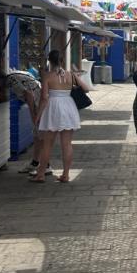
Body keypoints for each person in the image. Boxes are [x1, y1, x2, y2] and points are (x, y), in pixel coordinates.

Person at [31, 50, 88, 183]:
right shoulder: (70, 75)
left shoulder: (47, 76)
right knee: (67, 144)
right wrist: (74, 80)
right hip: (68, 106)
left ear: (49, 61)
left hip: (53, 108)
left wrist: (37, 115)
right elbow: (85, 88)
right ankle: (66, 175)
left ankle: (40, 174)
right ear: (62, 61)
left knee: (47, 144)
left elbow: (44, 98)